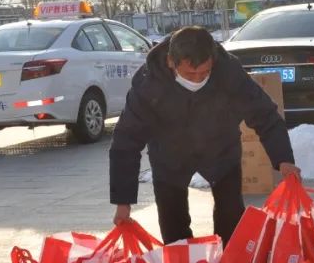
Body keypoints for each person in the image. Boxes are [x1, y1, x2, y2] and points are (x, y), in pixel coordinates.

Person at [109, 26, 300, 245]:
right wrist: (122, 201)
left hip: (221, 150)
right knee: (173, 225)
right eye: (191, 74)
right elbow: (126, 142)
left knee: (231, 218)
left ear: (213, 61)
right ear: (171, 62)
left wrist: (284, 159)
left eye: (205, 73)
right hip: (169, 155)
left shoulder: (228, 73)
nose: (198, 79)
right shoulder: (149, 84)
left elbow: (264, 114)